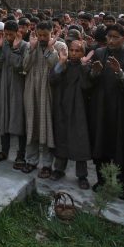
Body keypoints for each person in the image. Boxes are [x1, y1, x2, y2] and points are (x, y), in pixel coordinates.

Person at [88, 23, 124, 199]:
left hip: (121, 109)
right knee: (100, 144)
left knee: (122, 148)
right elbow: (91, 80)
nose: (111, 40)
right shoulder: (99, 53)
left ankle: (122, 185)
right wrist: (94, 73)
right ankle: (102, 181)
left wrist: (120, 73)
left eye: (115, 37)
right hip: (101, 107)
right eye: (109, 37)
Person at [21, 21, 68, 177]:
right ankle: (31, 161)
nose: (42, 38)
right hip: (31, 89)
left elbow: (58, 67)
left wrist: (50, 49)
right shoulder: (30, 45)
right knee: (31, 125)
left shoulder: (60, 46)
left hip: (49, 91)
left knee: (47, 127)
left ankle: (47, 165)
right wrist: (32, 48)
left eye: (45, 35)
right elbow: (25, 66)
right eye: (39, 35)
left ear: (51, 33)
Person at [49, 39, 93, 186]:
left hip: (79, 109)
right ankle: (59, 169)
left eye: (77, 51)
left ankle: (82, 175)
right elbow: (52, 80)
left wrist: (84, 67)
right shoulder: (64, 64)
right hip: (62, 107)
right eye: (72, 50)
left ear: (83, 53)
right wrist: (61, 62)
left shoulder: (86, 66)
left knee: (80, 141)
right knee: (61, 138)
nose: (74, 54)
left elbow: (87, 86)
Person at [0, 20, 28, 167]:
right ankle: (4, 151)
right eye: (6, 34)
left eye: (11, 35)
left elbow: (20, 65)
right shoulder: (5, 45)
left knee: (19, 119)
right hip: (4, 86)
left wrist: (14, 49)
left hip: (18, 87)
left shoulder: (24, 46)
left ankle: (21, 155)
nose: (8, 37)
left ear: (17, 33)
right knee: (4, 117)